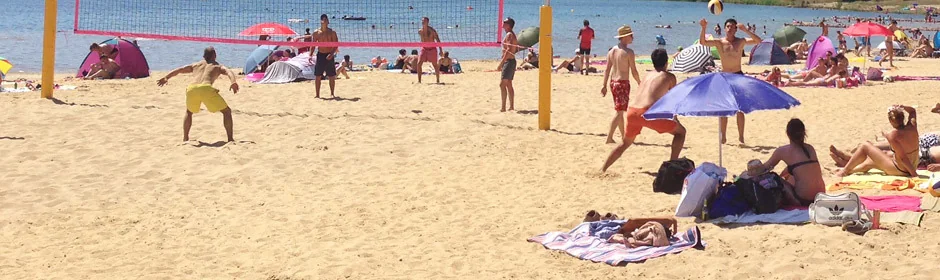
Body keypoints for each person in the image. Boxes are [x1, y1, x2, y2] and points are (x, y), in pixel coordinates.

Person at [601, 49, 685, 172]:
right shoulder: (669, 76)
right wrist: (675, 117)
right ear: (667, 62)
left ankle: (603, 169)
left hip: (632, 111)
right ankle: (671, 167)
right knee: (681, 133)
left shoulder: (647, 75)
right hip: (649, 112)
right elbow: (672, 100)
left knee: (625, 143)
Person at [699, 18, 762, 144]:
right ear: (724, 28)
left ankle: (741, 137)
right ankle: (723, 136)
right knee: (724, 108)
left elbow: (758, 41)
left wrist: (746, 30)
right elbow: (703, 42)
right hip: (725, 76)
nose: (730, 29)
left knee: (740, 108)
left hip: (738, 75)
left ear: (736, 29)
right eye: (728, 26)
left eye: (733, 27)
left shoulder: (741, 41)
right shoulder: (720, 42)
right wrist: (704, 27)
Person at [156, 47, 239, 142]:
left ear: (203, 56)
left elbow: (180, 69)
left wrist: (166, 77)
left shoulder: (196, 65)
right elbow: (229, 71)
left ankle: (185, 138)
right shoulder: (217, 66)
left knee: (189, 112)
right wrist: (233, 82)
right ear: (215, 55)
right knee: (227, 112)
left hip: (192, 89)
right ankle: (230, 139)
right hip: (206, 88)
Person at [835, 105, 920, 177]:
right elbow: (912, 111)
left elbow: (903, 157)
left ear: (890, 121)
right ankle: (845, 168)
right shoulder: (912, 126)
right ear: (903, 117)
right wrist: (902, 106)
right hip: (912, 165)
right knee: (871, 161)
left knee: (865, 145)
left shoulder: (893, 135)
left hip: (902, 170)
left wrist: (914, 175)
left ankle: (844, 171)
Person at [757, 119, 826, 206]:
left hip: (804, 200)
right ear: (804, 132)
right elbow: (801, 168)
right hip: (821, 197)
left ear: (787, 133)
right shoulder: (810, 148)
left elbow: (764, 169)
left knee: (774, 177)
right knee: (793, 173)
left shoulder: (783, 151)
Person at [600, 25, 642, 145]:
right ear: (624, 37)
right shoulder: (628, 52)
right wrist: (639, 82)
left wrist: (604, 85)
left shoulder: (612, 51)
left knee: (620, 110)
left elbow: (607, 70)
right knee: (619, 112)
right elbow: (634, 70)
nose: (632, 37)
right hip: (622, 83)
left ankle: (624, 136)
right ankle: (609, 137)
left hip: (613, 83)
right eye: (630, 36)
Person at [312, 14, 339, 98]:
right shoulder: (316, 33)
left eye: (326, 20)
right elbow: (312, 45)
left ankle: (332, 93)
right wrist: (310, 55)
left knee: (331, 75)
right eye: (323, 20)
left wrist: (331, 54)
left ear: (328, 22)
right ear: (321, 21)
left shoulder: (332, 32)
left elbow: (336, 45)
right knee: (318, 75)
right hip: (320, 54)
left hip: (329, 54)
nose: (324, 21)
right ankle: (317, 95)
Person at [496, 17, 519, 112]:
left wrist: (501, 63)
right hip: (511, 61)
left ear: (508, 25)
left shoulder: (509, 34)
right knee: (509, 84)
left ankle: (503, 108)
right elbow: (514, 49)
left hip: (509, 62)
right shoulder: (511, 34)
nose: (503, 23)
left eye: (504, 22)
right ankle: (511, 106)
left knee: (502, 85)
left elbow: (509, 50)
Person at [418, 17, 443, 84]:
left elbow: (438, 40)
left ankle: (438, 80)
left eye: (424, 21)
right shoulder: (420, 31)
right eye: (422, 21)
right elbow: (422, 40)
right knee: (419, 63)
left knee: (435, 65)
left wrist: (441, 50)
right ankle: (419, 81)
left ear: (428, 22)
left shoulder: (432, 31)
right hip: (424, 49)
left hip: (432, 50)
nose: (423, 22)